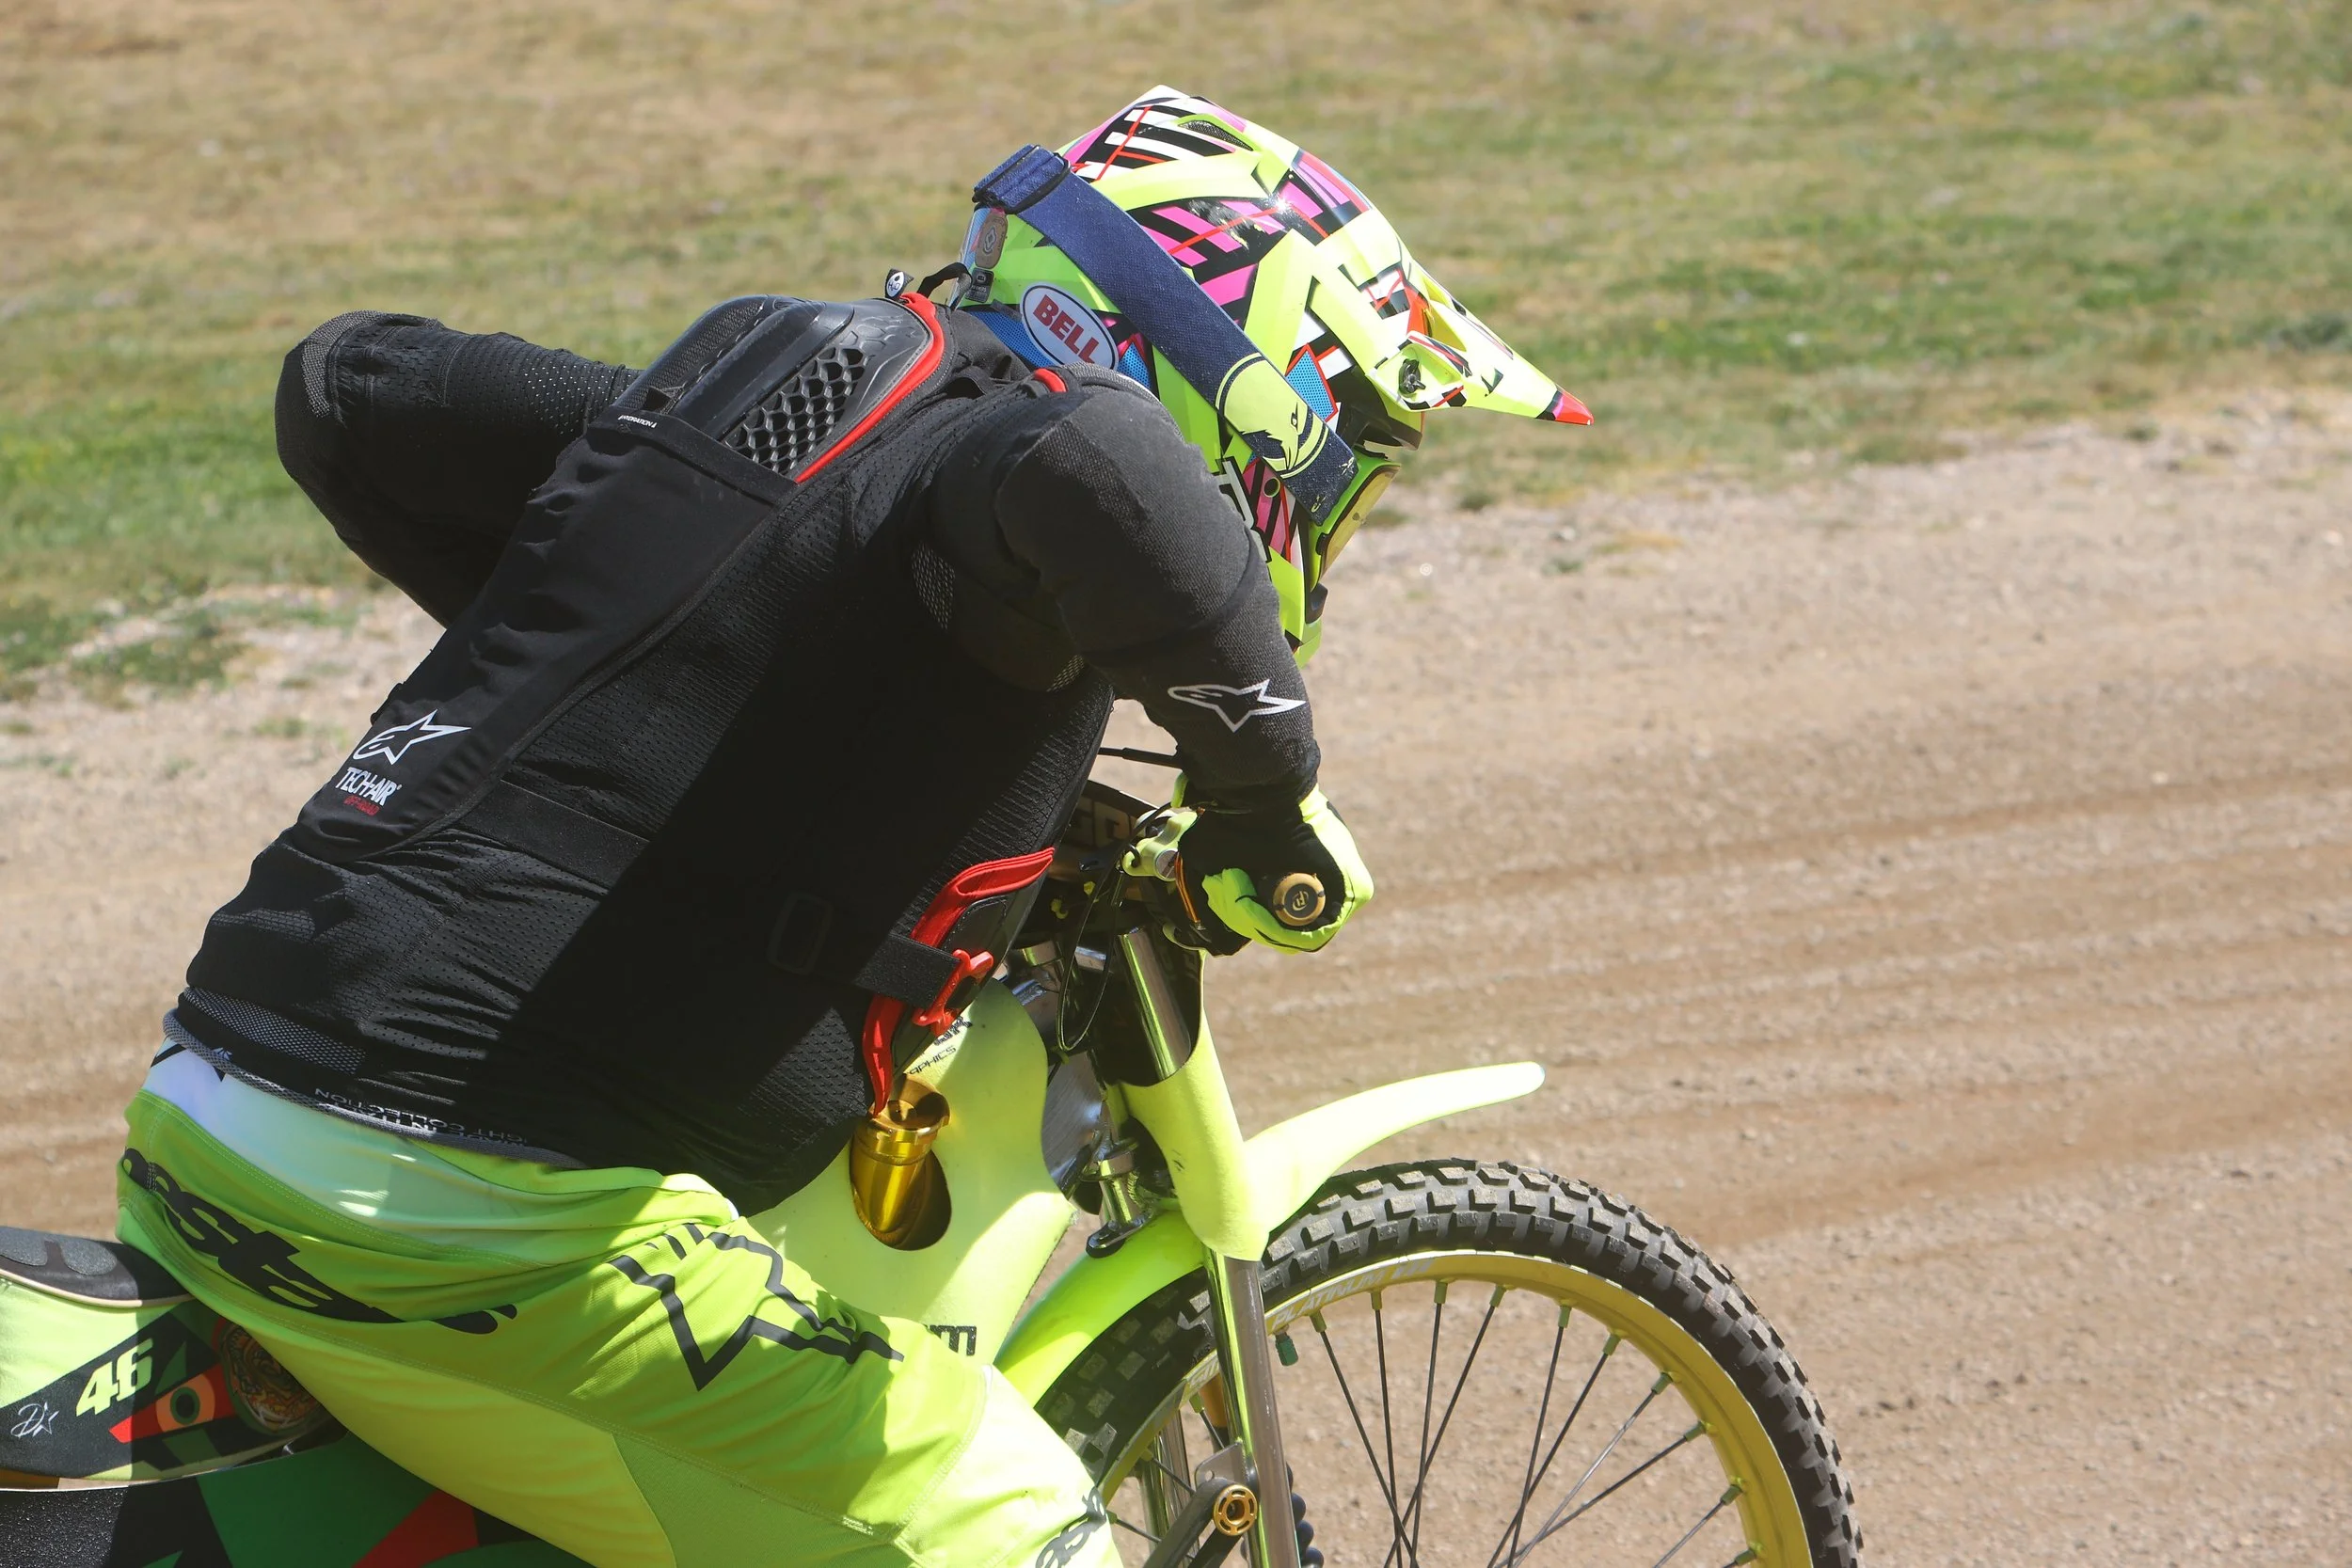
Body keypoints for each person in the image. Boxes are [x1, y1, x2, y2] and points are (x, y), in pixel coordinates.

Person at [114, 87, 1587, 1568]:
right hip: (467, 1212)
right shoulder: (1044, 442)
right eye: (1351, 460)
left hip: (213, 1117)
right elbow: (1106, 471)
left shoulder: (786, 398)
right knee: (1013, 1521)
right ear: (1257, 387)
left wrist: (627, 645)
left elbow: (344, 390)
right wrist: (1264, 802)